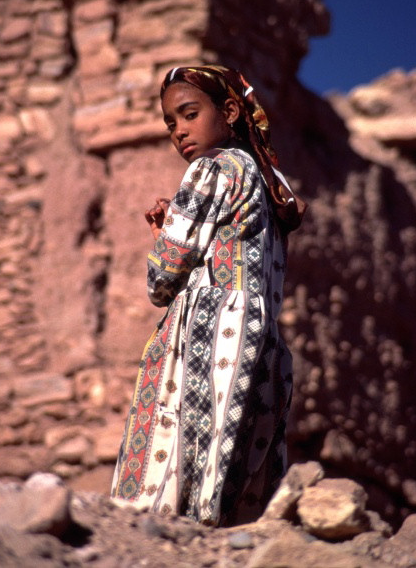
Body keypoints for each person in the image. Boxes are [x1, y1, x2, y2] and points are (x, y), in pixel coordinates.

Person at [111, 64, 306, 526]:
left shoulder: (213, 168)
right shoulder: (267, 185)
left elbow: (161, 279)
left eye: (189, 114)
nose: (179, 131)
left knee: (178, 480)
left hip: (210, 332)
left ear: (231, 111)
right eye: (170, 123)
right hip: (261, 341)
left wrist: (163, 240)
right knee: (235, 485)